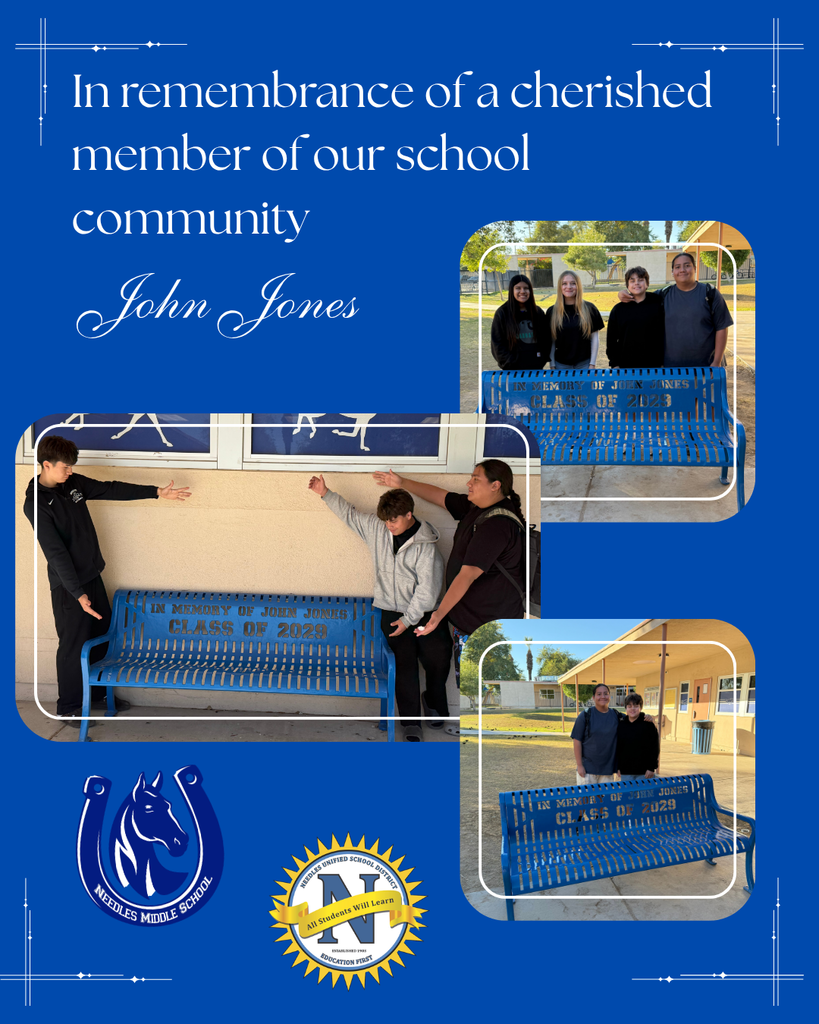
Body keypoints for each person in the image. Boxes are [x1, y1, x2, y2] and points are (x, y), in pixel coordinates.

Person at [23, 435, 192, 726]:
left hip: (92, 576)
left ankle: (98, 695)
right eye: (65, 467)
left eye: (72, 467)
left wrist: (155, 492)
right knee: (73, 645)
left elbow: (109, 489)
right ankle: (69, 707)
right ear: (46, 465)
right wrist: (77, 594)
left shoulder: (72, 485)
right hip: (69, 587)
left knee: (102, 635)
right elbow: (56, 554)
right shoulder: (36, 504)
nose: (70, 472)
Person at [373, 460, 527, 732]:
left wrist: (436, 617)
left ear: (496, 485)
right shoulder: (476, 508)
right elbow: (440, 496)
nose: (469, 483)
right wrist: (402, 483)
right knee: (470, 678)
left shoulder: (498, 524)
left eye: (476, 479)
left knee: (486, 681)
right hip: (471, 621)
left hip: (490, 623)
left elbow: (466, 575)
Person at [307, 474, 451, 742]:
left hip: (425, 613)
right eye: (385, 520)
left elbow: (428, 592)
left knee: (438, 657)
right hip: (391, 611)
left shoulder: (427, 546)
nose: (388, 526)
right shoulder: (378, 529)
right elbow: (351, 516)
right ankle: (411, 723)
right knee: (404, 664)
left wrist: (409, 620)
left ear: (409, 514)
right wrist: (325, 493)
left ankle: (433, 700)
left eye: (393, 520)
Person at [617, 252, 733, 367]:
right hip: (672, 369)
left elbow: (722, 327)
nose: (682, 270)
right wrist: (623, 293)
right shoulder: (663, 295)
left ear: (695, 268)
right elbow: (640, 295)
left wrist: (716, 362)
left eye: (687, 265)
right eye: (677, 267)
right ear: (672, 272)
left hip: (706, 367)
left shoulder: (710, 293)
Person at [606, 266, 665, 369]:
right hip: (626, 367)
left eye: (641, 280)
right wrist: (615, 363)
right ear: (627, 285)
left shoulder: (657, 304)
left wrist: (662, 361)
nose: (636, 283)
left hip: (654, 366)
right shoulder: (618, 310)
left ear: (647, 284)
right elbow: (611, 340)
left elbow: (663, 335)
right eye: (632, 281)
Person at [545, 270, 605, 369]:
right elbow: (551, 341)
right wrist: (552, 365)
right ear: (560, 287)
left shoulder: (590, 309)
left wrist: (592, 364)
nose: (569, 287)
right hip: (561, 365)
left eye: (573, 283)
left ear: (578, 286)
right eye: (564, 283)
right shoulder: (552, 312)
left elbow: (595, 338)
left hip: (584, 364)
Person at [490, 274, 550, 370]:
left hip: (535, 369)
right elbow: (497, 343)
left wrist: (541, 360)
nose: (522, 291)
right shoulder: (502, 313)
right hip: (513, 371)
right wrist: (509, 363)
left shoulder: (538, 312)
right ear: (511, 290)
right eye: (518, 288)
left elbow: (546, 339)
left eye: (526, 288)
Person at [615, 692, 659, 782]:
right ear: (626, 708)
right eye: (629, 706)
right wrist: (618, 767)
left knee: (646, 796)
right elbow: (618, 748)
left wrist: (651, 767)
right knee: (627, 795)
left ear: (640, 707)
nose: (632, 709)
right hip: (625, 771)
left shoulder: (648, 725)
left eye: (636, 706)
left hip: (645, 772)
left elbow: (655, 748)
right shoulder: (621, 726)